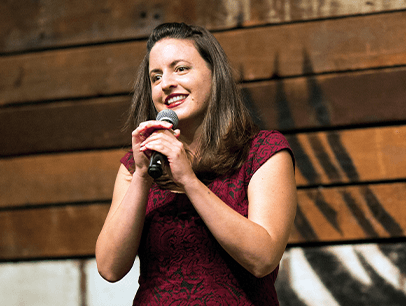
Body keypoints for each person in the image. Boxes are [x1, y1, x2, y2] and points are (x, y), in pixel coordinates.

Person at [95, 22, 297, 305]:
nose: (165, 83)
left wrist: (189, 181)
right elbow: (109, 268)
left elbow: (262, 259)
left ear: (215, 75)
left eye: (180, 69)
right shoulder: (138, 165)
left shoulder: (262, 151)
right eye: (155, 77)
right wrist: (142, 175)